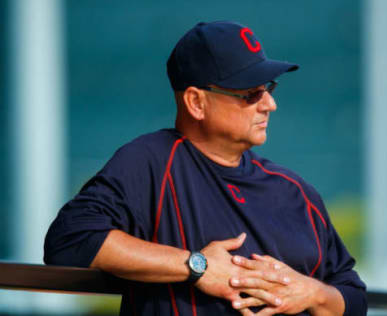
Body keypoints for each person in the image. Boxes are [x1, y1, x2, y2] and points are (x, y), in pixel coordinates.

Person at [44, 21, 367, 316]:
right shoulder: (151, 161)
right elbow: (69, 240)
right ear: (196, 103)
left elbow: (353, 297)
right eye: (251, 93)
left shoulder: (295, 191)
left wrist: (312, 293)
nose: (269, 104)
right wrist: (196, 265)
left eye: (268, 89)